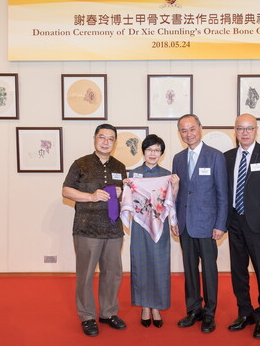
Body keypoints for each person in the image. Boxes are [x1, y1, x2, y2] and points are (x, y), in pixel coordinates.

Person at [62, 123, 127, 337]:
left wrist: (121, 194)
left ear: (114, 142)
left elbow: (127, 196)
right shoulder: (80, 163)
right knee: (86, 275)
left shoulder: (119, 166)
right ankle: (87, 316)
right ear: (95, 138)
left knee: (113, 274)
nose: (106, 141)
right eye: (102, 137)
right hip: (86, 229)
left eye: (110, 138)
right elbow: (66, 190)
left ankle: (108, 313)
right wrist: (90, 196)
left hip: (113, 229)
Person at [224, 114, 260, 339]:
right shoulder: (227, 157)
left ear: (256, 130)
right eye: (240, 128)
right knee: (238, 272)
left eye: (249, 128)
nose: (245, 132)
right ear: (235, 131)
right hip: (234, 223)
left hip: (259, 227)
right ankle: (245, 312)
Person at [171, 114, 228, 333]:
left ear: (200, 128)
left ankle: (209, 313)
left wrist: (220, 224)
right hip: (185, 224)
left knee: (210, 271)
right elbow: (176, 194)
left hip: (207, 224)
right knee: (190, 270)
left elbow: (223, 194)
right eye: (183, 130)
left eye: (192, 129)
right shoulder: (177, 158)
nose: (188, 134)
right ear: (180, 133)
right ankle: (193, 309)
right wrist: (174, 219)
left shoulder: (215, 157)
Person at [123, 134, 179, 328]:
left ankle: (156, 307)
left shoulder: (167, 174)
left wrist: (176, 185)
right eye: (149, 150)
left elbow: (172, 201)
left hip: (160, 225)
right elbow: (128, 198)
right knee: (141, 262)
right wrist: (126, 187)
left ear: (161, 153)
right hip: (140, 226)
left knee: (159, 263)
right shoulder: (134, 175)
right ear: (144, 152)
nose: (153, 153)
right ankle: (145, 306)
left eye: (157, 150)